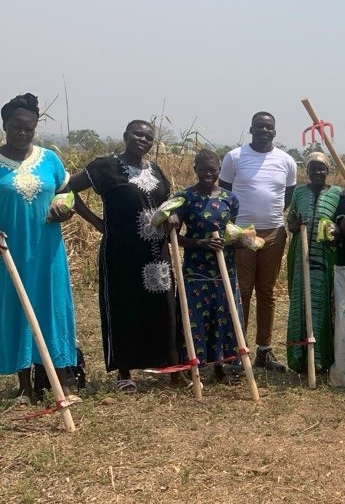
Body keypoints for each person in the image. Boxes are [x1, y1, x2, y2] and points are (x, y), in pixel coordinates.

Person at [67, 120, 183, 392]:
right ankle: (124, 371)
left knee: (165, 307)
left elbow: (167, 201)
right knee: (124, 305)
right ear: (125, 135)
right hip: (121, 251)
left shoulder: (155, 170)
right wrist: (96, 222)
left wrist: (173, 215)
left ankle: (172, 369)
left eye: (149, 137)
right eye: (137, 134)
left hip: (157, 253)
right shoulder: (105, 166)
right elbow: (68, 187)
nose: (143, 139)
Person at [0, 93, 78, 404]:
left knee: (52, 308)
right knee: (18, 308)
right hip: (10, 250)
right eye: (16, 126)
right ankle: (24, 387)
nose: (22, 132)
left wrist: (64, 209)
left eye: (29, 128)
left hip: (48, 250)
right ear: (5, 125)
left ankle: (61, 383)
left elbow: (66, 193)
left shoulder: (50, 160)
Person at [218, 112, 297, 372]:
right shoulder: (234, 157)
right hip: (242, 234)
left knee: (267, 291)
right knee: (242, 291)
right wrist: (235, 231)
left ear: (275, 131)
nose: (264, 131)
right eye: (260, 127)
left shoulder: (286, 161)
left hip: (274, 233)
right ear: (251, 129)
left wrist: (269, 217)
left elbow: (287, 197)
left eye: (269, 127)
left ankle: (264, 350)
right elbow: (223, 194)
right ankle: (237, 352)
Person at [168, 149, 244, 383]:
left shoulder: (230, 199)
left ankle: (221, 366)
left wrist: (239, 241)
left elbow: (231, 231)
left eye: (212, 169)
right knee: (195, 318)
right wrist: (199, 243)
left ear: (219, 170)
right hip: (196, 270)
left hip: (224, 269)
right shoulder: (185, 198)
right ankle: (192, 368)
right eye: (202, 169)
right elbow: (173, 236)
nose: (207, 173)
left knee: (223, 317)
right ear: (195, 169)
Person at [284, 151, 343, 373]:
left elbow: (341, 225)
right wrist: (295, 225)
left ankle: (321, 359)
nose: (317, 172)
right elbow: (290, 223)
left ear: (328, 170)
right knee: (299, 303)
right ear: (306, 171)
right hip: (300, 255)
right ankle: (299, 358)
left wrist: (335, 232)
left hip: (325, 257)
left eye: (321, 168)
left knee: (324, 304)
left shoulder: (338, 193)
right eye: (313, 169)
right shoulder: (299, 191)